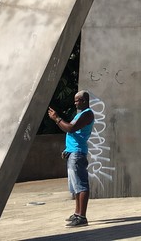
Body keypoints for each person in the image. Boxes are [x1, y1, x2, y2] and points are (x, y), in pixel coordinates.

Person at [48, 90, 95, 228]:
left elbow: (70, 128)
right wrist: (67, 150)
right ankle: (77, 213)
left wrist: (57, 118)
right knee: (75, 186)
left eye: (77, 100)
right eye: (75, 100)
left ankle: (82, 217)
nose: (75, 103)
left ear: (85, 101)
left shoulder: (87, 114)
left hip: (77, 153)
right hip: (72, 152)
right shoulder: (80, 114)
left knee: (81, 185)